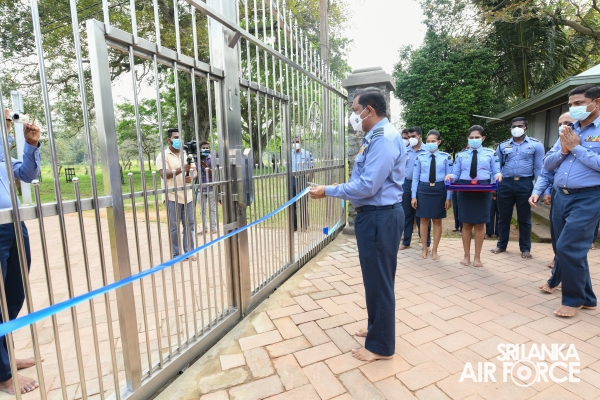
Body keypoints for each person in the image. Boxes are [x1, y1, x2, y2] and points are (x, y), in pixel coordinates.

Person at [309, 87, 405, 362]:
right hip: (376, 215)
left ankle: (380, 347)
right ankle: (377, 329)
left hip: (379, 217)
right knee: (375, 280)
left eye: (355, 111)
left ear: (369, 110)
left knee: (379, 281)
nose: (354, 117)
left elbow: (368, 185)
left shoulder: (384, 138)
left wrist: (329, 190)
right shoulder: (375, 136)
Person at [542, 84, 600, 317]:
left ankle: (573, 299)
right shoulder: (567, 130)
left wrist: (576, 148)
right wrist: (564, 150)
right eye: (571, 105)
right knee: (569, 247)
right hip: (561, 197)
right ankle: (587, 298)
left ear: (596, 102)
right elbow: (548, 163)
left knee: (567, 247)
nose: (574, 108)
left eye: (579, 103)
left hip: (589, 197)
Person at [0, 108, 41, 394]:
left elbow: (27, 173)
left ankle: (4, 357)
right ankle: (3, 375)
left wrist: (30, 144)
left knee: (13, 295)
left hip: (13, 225)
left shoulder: (4, 152)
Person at [445, 125, 502, 268]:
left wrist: (498, 176)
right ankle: (466, 255)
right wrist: (450, 176)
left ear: (483, 138)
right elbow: (456, 174)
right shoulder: (461, 155)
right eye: (471, 138)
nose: (474, 140)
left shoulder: (491, 153)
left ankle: (477, 257)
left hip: (483, 189)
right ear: (468, 139)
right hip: (465, 188)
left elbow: (496, 171)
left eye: (477, 137)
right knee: (466, 223)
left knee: (479, 224)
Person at [492, 117, 544, 259]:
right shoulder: (502, 146)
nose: (517, 128)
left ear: (526, 127)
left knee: (524, 218)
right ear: (510, 128)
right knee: (503, 217)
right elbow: (496, 167)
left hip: (525, 184)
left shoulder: (536, 145)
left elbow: (540, 168)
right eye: (514, 126)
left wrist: (539, 190)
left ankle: (525, 248)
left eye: (520, 125)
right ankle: (501, 245)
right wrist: (494, 186)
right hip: (506, 184)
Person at [156, 128, 197, 261]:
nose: (178, 140)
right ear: (169, 140)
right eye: (175, 137)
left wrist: (191, 176)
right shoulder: (163, 155)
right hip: (172, 196)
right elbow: (164, 174)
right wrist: (181, 169)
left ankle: (189, 252)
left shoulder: (187, 154)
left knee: (189, 225)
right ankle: (176, 254)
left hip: (188, 196)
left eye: (180, 137)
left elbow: (194, 170)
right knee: (174, 227)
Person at [411, 130, 452, 260]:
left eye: (433, 141)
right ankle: (425, 248)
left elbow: (449, 179)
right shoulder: (420, 157)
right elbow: (415, 178)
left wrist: (448, 197)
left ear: (439, 142)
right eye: (428, 141)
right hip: (423, 190)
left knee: (437, 220)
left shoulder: (446, 157)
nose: (430, 143)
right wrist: (414, 196)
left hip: (439, 189)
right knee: (423, 220)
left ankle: (435, 250)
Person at [400, 126, 430, 250]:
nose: (411, 139)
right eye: (410, 137)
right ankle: (406, 241)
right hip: (407, 184)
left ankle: (425, 243)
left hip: (422, 185)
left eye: (413, 136)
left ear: (420, 136)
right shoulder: (406, 151)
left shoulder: (427, 151)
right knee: (407, 213)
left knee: (423, 214)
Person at [291, 135, 314, 231]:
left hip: (303, 179)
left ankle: (304, 225)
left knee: (303, 202)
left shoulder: (307, 154)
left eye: (297, 142)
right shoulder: (289, 154)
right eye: (294, 142)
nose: (296, 144)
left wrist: (308, 182)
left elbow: (312, 168)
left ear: (301, 143)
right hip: (292, 179)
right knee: (292, 204)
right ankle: (294, 226)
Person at [197, 141, 217, 234]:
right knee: (202, 209)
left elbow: (214, 174)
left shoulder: (211, 159)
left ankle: (213, 228)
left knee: (212, 208)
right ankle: (204, 228)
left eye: (207, 147)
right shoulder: (196, 159)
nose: (206, 149)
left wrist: (205, 165)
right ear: (200, 149)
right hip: (200, 188)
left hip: (211, 187)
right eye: (204, 148)